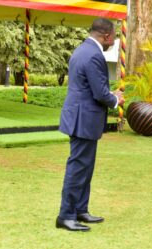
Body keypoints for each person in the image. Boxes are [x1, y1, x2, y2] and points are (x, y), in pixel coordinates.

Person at [56, 18, 125, 231]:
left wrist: (108, 94)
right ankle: (66, 216)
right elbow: (98, 92)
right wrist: (115, 99)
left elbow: (87, 87)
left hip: (82, 117)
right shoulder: (94, 55)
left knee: (85, 168)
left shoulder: (83, 50)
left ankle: (80, 210)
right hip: (83, 120)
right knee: (78, 168)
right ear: (106, 36)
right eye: (113, 36)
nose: (114, 41)